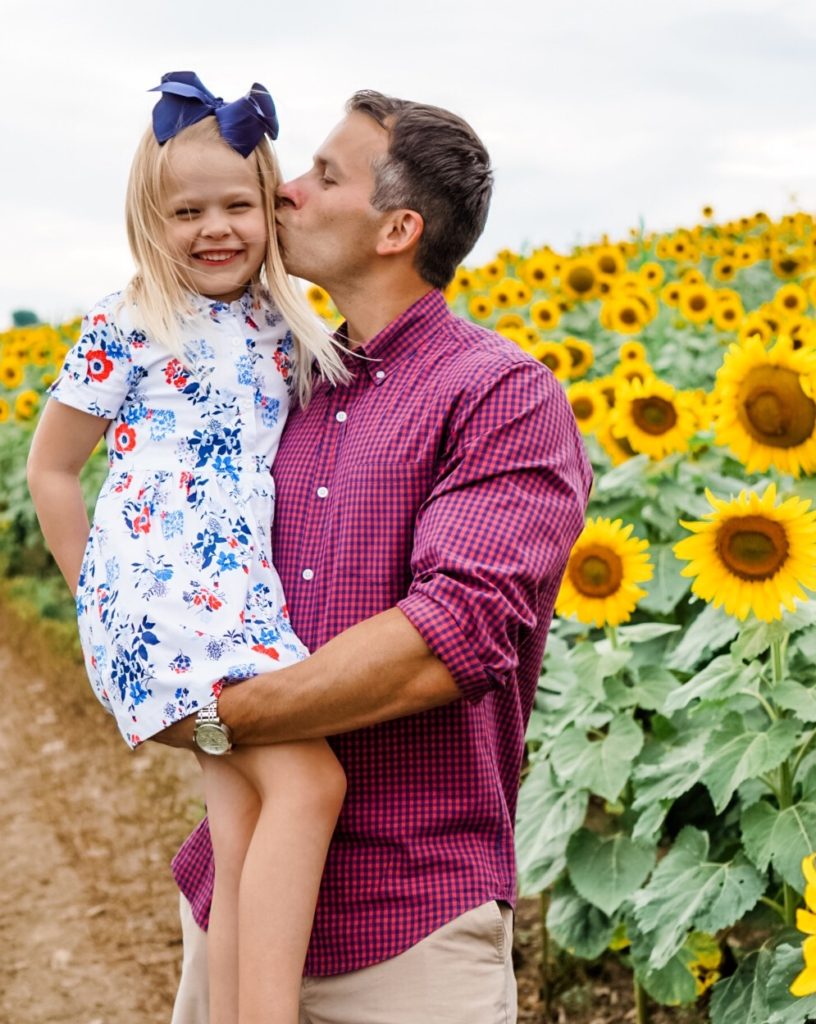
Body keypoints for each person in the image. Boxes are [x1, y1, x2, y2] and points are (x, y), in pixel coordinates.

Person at [162, 90, 593, 1024]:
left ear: (398, 227)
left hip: (406, 933)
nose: (286, 191)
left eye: (324, 175)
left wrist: (212, 716)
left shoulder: (502, 395)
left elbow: (451, 636)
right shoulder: (279, 381)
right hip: (233, 901)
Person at [26, 72, 349, 1024]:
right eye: (186, 211)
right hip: (162, 604)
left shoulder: (280, 327)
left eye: (237, 205)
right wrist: (97, 591)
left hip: (236, 602)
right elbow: (51, 468)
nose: (215, 227)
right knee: (311, 778)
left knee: (246, 810)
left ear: (269, 206)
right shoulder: (130, 323)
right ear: (148, 221)